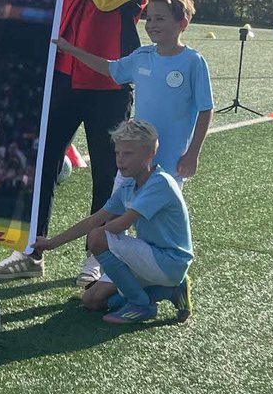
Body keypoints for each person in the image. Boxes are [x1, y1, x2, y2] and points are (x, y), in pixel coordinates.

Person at [0, 0, 163, 285]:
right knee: (43, 164)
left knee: (109, 174)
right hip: (63, 74)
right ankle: (31, 250)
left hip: (109, 83)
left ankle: (98, 257)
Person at [33, 118, 193, 324]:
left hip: (170, 261)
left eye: (128, 154)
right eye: (118, 153)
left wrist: (97, 239)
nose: (120, 160)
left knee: (99, 236)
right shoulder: (128, 187)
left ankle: (141, 304)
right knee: (91, 301)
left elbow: (122, 224)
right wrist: (50, 243)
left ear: (150, 153)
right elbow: (95, 219)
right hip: (151, 259)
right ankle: (170, 290)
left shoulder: (160, 182)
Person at [54, 0, 213, 182]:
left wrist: (193, 153)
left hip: (171, 160)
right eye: (149, 19)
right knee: (120, 205)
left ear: (182, 24)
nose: (152, 25)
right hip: (136, 155)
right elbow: (109, 67)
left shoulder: (193, 61)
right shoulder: (142, 56)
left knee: (157, 210)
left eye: (160, 19)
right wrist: (71, 50)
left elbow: (206, 110)